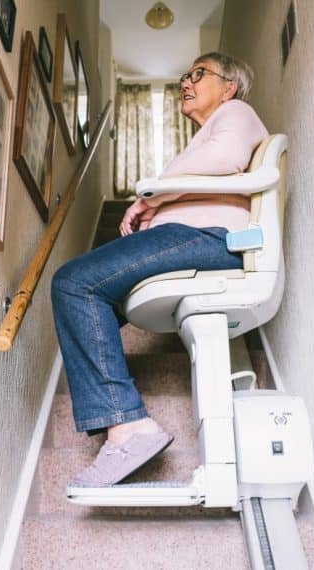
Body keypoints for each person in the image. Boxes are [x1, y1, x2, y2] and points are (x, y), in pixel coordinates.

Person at [52, 52, 268, 486]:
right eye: (185, 75)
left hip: (209, 239)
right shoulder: (209, 130)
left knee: (74, 282)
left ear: (229, 86)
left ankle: (129, 426)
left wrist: (152, 196)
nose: (186, 82)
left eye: (199, 74)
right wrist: (158, 206)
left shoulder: (236, 113)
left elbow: (224, 158)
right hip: (198, 237)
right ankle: (121, 421)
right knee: (87, 298)